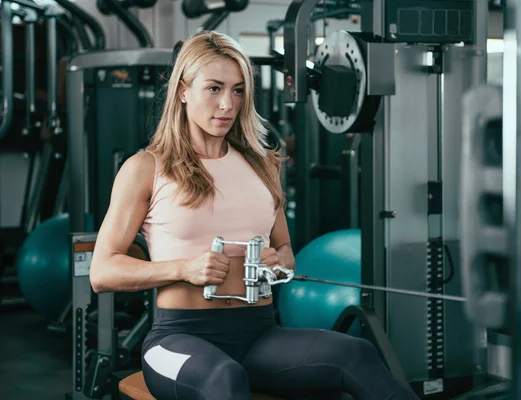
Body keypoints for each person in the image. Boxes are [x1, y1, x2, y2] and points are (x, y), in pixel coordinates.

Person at [89, 31, 419, 400]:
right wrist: (183, 269)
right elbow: (103, 272)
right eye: (214, 88)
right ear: (183, 90)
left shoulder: (263, 165)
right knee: (223, 379)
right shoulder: (146, 167)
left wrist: (278, 263)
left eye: (238, 90)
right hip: (178, 338)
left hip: (260, 334)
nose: (228, 104)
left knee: (355, 353)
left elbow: (286, 255)